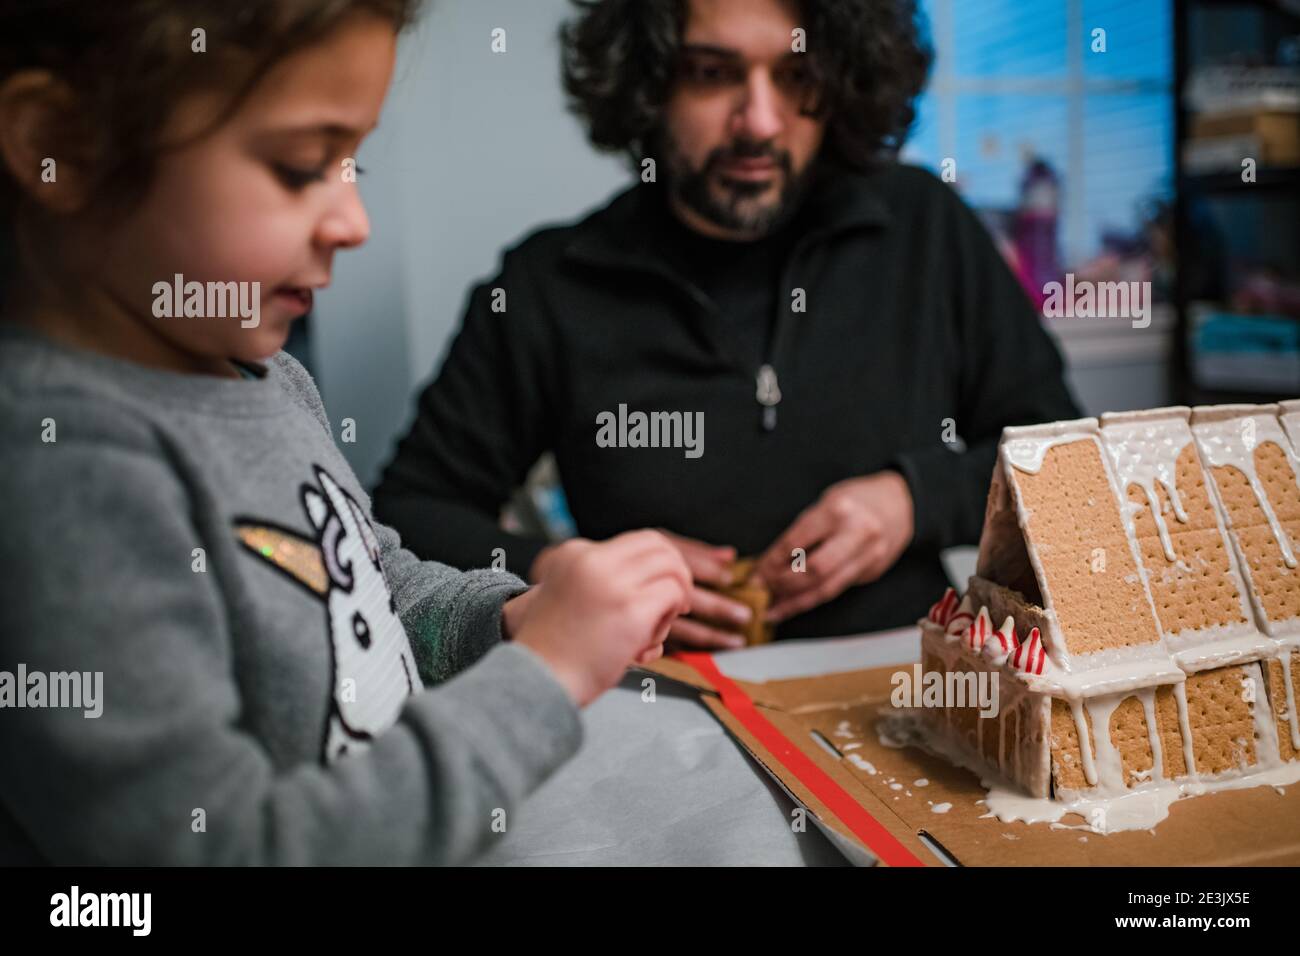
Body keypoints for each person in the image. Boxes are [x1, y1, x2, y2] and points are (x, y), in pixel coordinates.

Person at [0, 0, 690, 865]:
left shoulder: (264, 375)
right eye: (300, 167)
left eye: (353, 161)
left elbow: (369, 582)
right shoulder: (58, 473)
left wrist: (509, 620)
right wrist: (542, 680)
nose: (353, 222)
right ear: (60, 145)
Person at [372, 0, 1082, 646]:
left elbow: (1066, 462)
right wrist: (564, 568)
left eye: (798, 76)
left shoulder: (923, 227)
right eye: (712, 74)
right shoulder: (548, 284)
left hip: (909, 684)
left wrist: (915, 499)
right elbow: (410, 512)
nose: (760, 122)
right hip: (658, 701)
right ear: (647, 84)